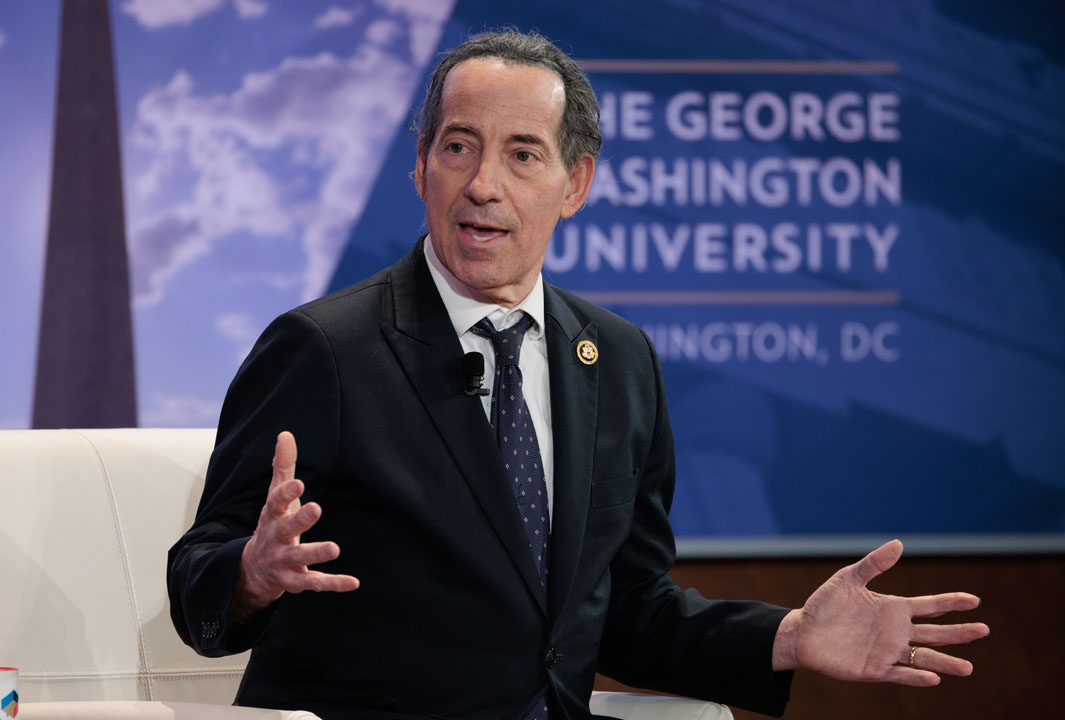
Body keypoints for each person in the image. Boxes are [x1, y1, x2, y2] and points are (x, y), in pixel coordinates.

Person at [167, 30, 988, 720]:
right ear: (420, 168)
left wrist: (789, 636)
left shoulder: (617, 357)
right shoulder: (324, 348)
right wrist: (249, 571)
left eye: (522, 154)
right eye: (458, 147)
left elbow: (622, 605)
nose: (482, 184)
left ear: (575, 184)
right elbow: (195, 577)